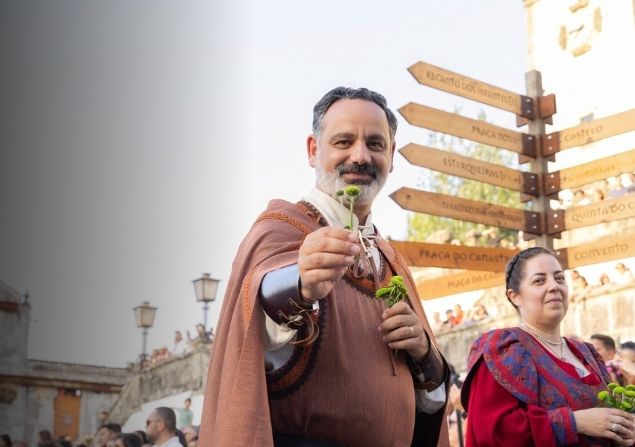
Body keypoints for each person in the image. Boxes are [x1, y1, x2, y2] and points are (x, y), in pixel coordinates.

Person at [198, 87, 450, 446]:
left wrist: (423, 350)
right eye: (343, 142)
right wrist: (300, 283)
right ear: (313, 150)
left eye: (376, 144)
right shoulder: (280, 229)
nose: (360, 156)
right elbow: (251, 327)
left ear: (392, 156)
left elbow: (431, 399)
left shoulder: (391, 259)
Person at [461, 247, 635, 446]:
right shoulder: (503, 348)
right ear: (515, 296)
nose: (554, 286)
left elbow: (610, 420)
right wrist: (574, 422)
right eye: (539, 280)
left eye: (559, 278)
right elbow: (492, 431)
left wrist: (625, 431)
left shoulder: (587, 352)